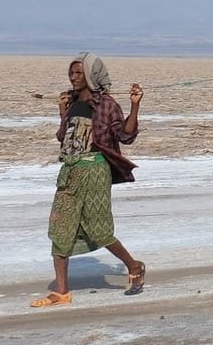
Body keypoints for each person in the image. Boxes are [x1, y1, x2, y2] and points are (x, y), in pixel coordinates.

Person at [34, 53, 147, 307]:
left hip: (95, 170)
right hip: (70, 172)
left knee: (99, 229)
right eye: (71, 73)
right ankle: (61, 291)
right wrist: (63, 111)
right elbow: (63, 137)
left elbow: (125, 136)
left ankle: (134, 266)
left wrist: (135, 105)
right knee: (60, 227)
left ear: (91, 75)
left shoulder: (106, 104)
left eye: (78, 73)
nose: (72, 78)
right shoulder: (72, 103)